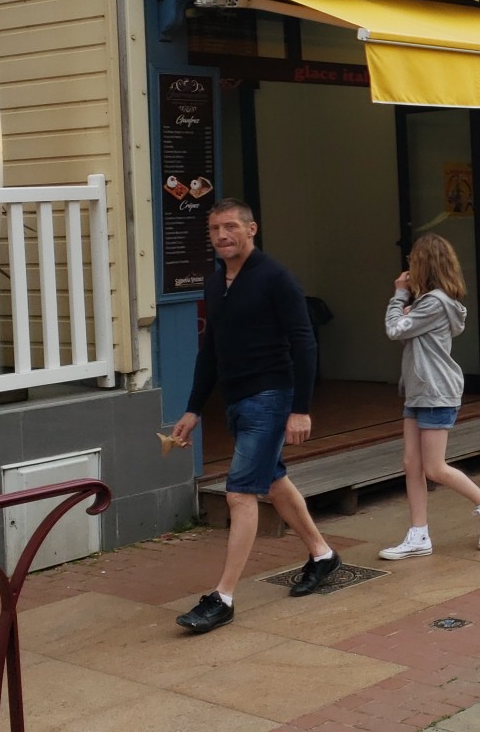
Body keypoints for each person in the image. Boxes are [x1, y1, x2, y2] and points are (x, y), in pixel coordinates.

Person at [172, 200, 340, 634]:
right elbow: (210, 351)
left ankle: (223, 597)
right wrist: (193, 408)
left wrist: (300, 408)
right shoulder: (215, 284)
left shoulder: (275, 278)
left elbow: (304, 341)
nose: (222, 235)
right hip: (236, 400)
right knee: (273, 479)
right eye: (214, 229)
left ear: (251, 229)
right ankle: (322, 554)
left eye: (230, 226)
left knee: (240, 493)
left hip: (271, 396)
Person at [377, 234, 480, 560]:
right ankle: (418, 534)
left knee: (434, 467)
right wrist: (407, 309)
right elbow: (405, 329)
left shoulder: (434, 303)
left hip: (435, 391)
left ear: (423, 264)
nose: (408, 267)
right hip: (419, 391)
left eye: (412, 261)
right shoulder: (429, 303)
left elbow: (394, 330)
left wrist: (399, 295)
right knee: (411, 463)